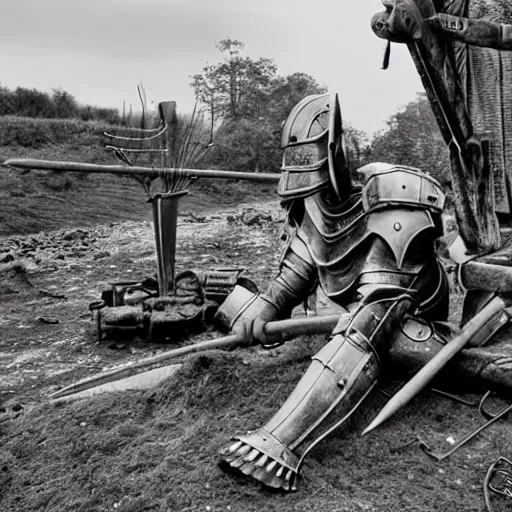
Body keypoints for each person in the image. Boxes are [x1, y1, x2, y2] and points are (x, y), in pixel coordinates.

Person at [217, 93, 450, 491]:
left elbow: (373, 312)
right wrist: (254, 316)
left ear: (334, 152)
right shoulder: (315, 210)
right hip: (359, 323)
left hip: (412, 319)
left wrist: (279, 442)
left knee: (369, 325)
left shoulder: (394, 199)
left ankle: (279, 445)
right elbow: (288, 281)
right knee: (240, 307)